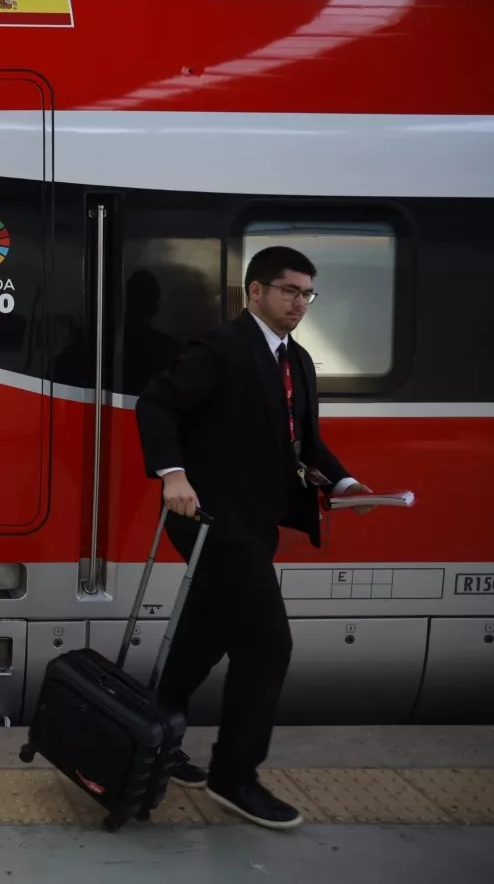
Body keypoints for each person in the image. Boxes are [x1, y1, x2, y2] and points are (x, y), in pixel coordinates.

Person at [134, 245, 373, 830]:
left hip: (253, 525)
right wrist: (173, 474)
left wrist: (343, 481)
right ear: (256, 292)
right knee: (267, 647)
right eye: (289, 291)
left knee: (202, 635)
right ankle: (234, 777)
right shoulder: (220, 349)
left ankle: (149, 735)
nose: (300, 303)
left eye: (307, 294)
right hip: (212, 523)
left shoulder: (298, 363)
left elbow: (303, 442)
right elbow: (156, 404)